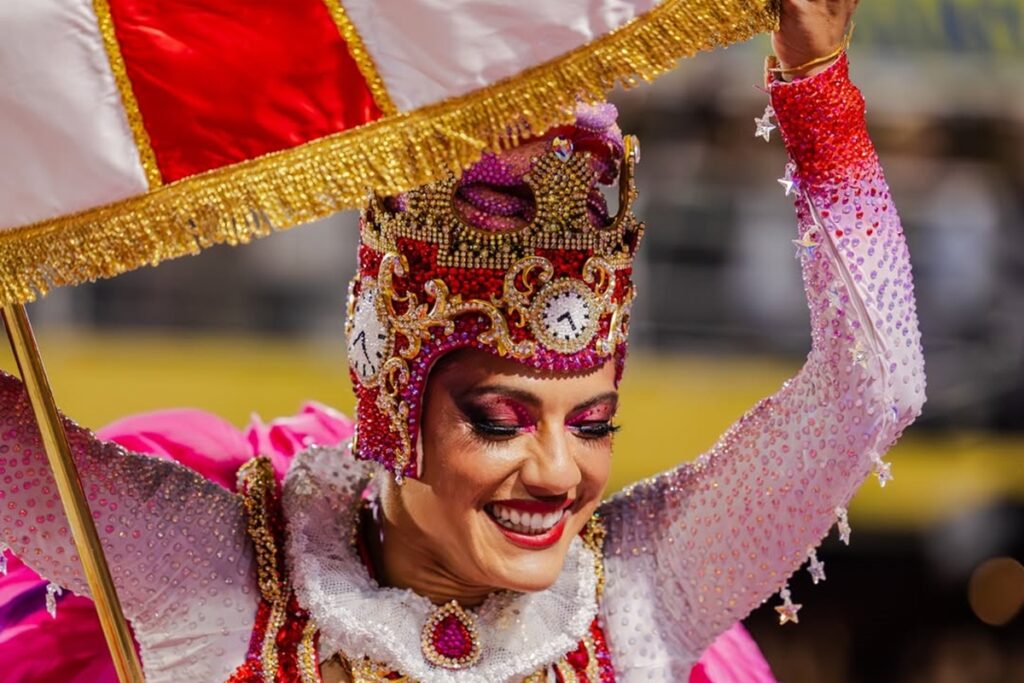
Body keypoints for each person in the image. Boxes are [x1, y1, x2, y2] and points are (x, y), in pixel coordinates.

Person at [0, 1, 925, 680]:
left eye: (594, 422)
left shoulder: (640, 594)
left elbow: (872, 389)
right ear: (395, 407)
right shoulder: (219, 582)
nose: (560, 473)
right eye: (500, 420)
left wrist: (820, 93)